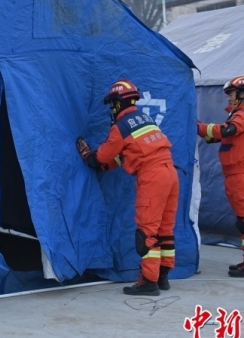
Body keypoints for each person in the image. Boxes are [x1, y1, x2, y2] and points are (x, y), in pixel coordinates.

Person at [76, 80, 178, 296]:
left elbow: (102, 156)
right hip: (170, 172)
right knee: (164, 230)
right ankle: (163, 276)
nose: (111, 110)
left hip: (152, 177)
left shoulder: (121, 127)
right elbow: (127, 156)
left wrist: (88, 157)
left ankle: (149, 282)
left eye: (112, 105)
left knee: (146, 231)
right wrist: (106, 164)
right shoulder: (145, 120)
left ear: (117, 103)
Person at [198, 76, 244, 277]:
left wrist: (198, 127)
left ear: (243, 95)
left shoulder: (243, 115)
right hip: (237, 175)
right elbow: (217, 136)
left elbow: (227, 131)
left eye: (231, 94)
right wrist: (202, 129)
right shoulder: (239, 115)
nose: (228, 98)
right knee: (243, 220)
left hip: (242, 176)